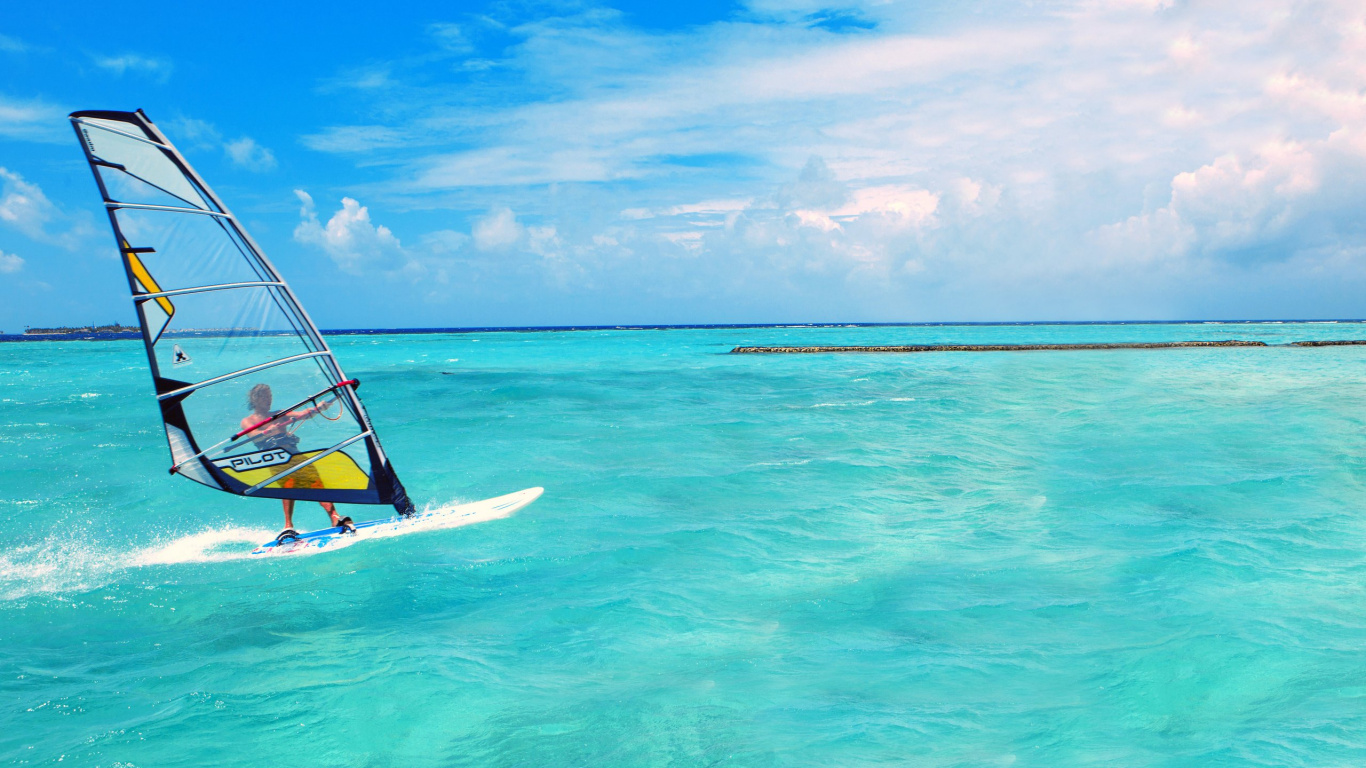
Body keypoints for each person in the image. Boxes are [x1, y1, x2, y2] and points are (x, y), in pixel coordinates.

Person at [240, 382, 353, 543]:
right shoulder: (248, 421)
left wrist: (321, 406)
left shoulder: (279, 414)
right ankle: (288, 525)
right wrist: (266, 431)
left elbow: (304, 414)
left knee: (317, 482)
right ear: (255, 399)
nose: (269, 399)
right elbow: (253, 434)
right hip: (276, 458)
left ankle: (335, 517)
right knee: (289, 487)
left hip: (294, 454)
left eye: (270, 396)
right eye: (265, 396)